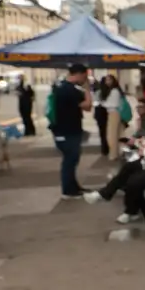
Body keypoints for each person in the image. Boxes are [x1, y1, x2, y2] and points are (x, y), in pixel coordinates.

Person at [49, 64, 93, 199]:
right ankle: (68, 191)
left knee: (71, 160)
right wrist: (87, 89)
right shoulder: (70, 90)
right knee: (70, 161)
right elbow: (88, 106)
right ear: (79, 74)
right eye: (84, 77)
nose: (85, 80)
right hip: (68, 131)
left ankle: (74, 187)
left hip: (63, 130)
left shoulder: (61, 87)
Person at [100, 75, 125, 162]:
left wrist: (103, 103)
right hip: (114, 113)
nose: (107, 82)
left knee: (111, 135)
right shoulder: (114, 90)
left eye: (109, 80)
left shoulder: (114, 91)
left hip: (114, 113)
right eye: (106, 80)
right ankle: (117, 153)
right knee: (117, 134)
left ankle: (113, 154)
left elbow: (114, 104)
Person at [93, 76, 109, 156]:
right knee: (108, 131)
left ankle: (104, 149)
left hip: (99, 112)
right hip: (108, 112)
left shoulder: (98, 92)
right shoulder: (110, 92)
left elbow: (95, 103)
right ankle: (109, 147)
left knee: (102, 131)